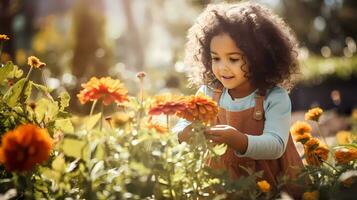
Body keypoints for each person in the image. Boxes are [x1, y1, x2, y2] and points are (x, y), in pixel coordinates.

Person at [172, 1, 303, 198]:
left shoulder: (274, 97)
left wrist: (239, 141)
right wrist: (184, 132)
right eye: (216, 58)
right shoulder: (209, 92)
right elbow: (182, 122)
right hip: (222, 180)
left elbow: (276, 146)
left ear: (259, 58)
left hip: (268, 181)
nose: (222, 68)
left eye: (233, 59)